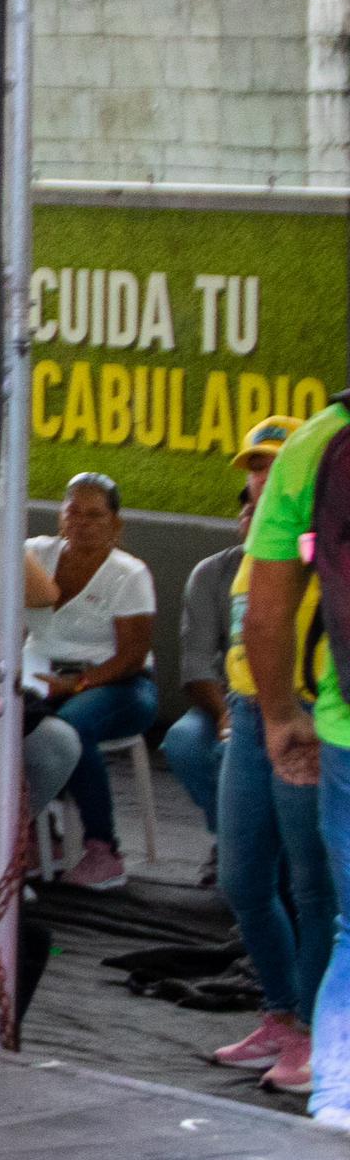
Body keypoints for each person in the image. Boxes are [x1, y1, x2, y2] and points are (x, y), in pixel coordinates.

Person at [202, 420, 327, 1096]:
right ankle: (281, 1013)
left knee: (314, 888)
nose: (263, 477)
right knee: (244, 878)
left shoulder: (323, 539)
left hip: (305, 716)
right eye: (255, 468)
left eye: (274, 466)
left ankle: (315, 1027)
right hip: (251, 713)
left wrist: (294, 712)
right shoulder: (257, 544)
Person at [23, 474, 159, 891]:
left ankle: (104, 849)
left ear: (116, 524)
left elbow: (131, 657)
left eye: (95, 515)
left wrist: (77, 685)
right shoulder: (34, 554)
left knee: (71, 728)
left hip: (119, 684)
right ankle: (35, 833)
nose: (81, 522)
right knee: (7, 720)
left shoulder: (130, 573)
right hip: (41, 676)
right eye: (73, 512)